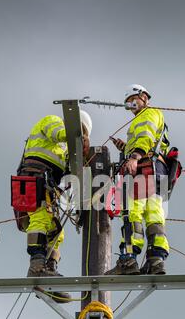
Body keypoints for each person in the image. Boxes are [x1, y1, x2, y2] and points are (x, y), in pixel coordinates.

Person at [18, 111, 92, 286]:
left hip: (45, 184)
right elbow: (59, 133)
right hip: (34, 176)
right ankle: (36, 266)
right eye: (80, 130)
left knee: (56, 230)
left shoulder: (63, 149)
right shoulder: (52, 121)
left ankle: (50, 268)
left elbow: (68, 169)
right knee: (40, 219)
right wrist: (78, 137)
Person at [106, 84, 170, 275]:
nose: (130, 105)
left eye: (132, 100)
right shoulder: (154, 115)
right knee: (154, 214)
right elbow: (148, 141)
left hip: (144, 168)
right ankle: (155, 260)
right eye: (127, 103)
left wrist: (134, 157)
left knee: (132, 211)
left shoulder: (146, 115)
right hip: (157, 168)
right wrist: (125, 148)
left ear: (143, 96)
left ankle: (128, 260)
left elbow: (145, 136)